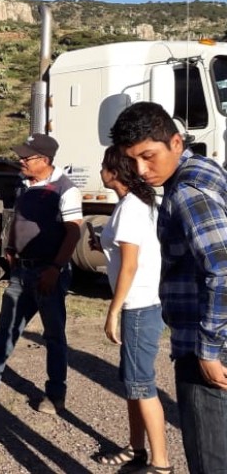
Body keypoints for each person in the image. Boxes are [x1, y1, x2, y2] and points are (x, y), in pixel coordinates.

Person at [111, 101, 227, 474]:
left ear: (176, 142)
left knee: (210, 456)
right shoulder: (204, 171)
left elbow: (223, 269)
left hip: (204, 344)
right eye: (134, 161)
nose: (143, 171)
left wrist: (207, 350)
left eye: (149, 156)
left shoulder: (187, 192)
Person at [0, 133, 82, 414]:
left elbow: (74, 232)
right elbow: (18, 219)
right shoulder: (24, 184)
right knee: (7, 328)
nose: (21, 161)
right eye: (21, 156)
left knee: (53, 335)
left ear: (45, 160)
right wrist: (11, 246)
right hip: (21, 271)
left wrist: (54, 268)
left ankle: (55, 395)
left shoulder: (65, 189)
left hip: (48, 272)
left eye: (27, 157)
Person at [92, 146, 170, 473]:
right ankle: (136, 450)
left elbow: (130, 266)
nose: (100, 170)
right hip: (143, 303)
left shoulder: (131, 208)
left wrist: (113, 310)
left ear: (114, 172)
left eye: (103, 166)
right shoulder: (139, 204)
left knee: (142, 385)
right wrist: (103, 242)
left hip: (137, 305)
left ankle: (161, 464)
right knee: (132, 383)